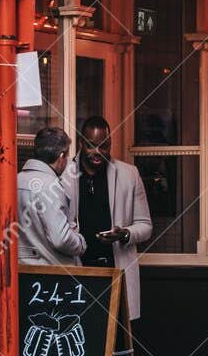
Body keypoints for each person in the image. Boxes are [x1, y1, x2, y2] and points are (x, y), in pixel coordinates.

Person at [63, 116, 154, 317]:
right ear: (80, 143)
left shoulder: (129, 174)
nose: (98, 152)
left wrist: (125, 234)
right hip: (76, 272)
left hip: (115, 271)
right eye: (91, 146)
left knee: (118, 342)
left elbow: (145, 225)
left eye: (104, 146)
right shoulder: (63, 174)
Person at [17, 126, 85, 266]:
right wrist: (80, 242)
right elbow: (61, 239)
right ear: (61, 156)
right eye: (66, 156)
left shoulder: (16, 180)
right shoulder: (50, 185)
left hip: (21, 273)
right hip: (50, 276)